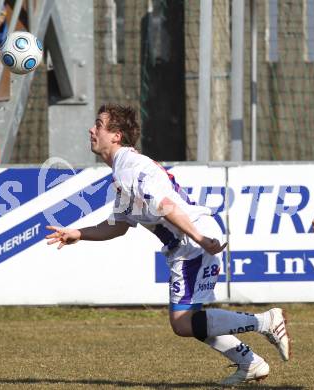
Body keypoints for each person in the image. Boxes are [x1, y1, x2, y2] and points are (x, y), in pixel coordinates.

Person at [45, 104, 290, 386]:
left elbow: (165, 205)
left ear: (116, 135)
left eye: (99, 124)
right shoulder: (124, 170)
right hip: (190, 242)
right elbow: (119, 225)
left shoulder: (130, 169)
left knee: (183, 322)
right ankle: (250, 363)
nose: (92, 129)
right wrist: (78, 232)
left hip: (193, 242)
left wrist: (199, 239)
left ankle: (266, 322)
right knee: (191, 319)